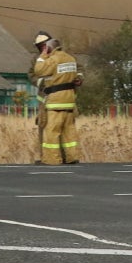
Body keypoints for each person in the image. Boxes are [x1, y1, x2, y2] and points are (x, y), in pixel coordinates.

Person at [30, 31, 82, 164]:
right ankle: (70, 157)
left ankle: (52, 159)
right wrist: (41, 83)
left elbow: (39, 70)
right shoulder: (68, 57)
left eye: (43, 45)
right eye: (39, 46)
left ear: (48, 45)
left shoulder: (49, 59)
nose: (42, 48)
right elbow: (32, 75)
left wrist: (79, 79)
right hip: (64, 99)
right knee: (67, 130)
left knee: (52, 131)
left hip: (54, 100)